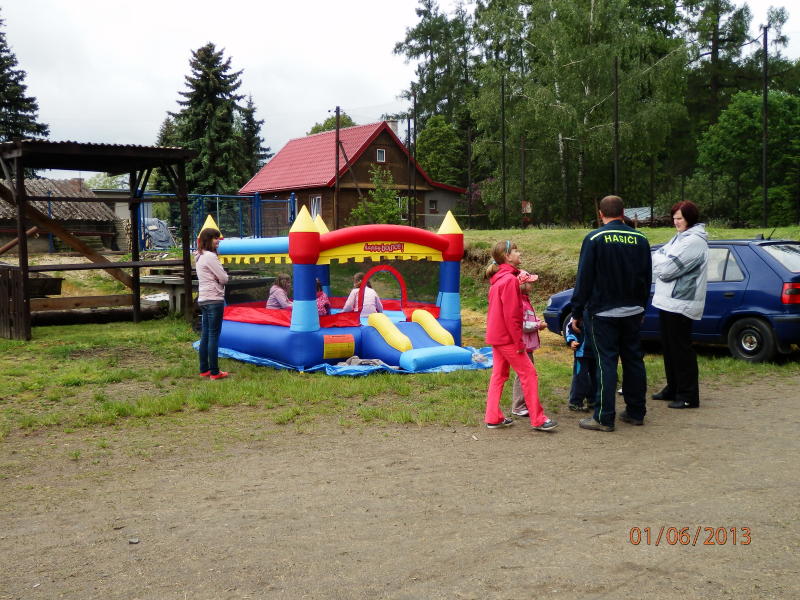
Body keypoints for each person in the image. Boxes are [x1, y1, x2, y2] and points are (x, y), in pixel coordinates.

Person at [571, 195, 651, 431]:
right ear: (623, 212)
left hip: (602, 312)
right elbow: (647, 276)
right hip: (633, 310)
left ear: (600, 213)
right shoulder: (640, 238)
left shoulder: (594, 238)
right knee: (633, 360)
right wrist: (642, 306)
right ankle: (636, 412)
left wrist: (577, 311)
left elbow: (584, 278)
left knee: (605, 362)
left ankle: (604, 417)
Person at [484, 240, 557, 431]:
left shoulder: (498, 280)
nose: (520, 254)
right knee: (529, 374)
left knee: (499, 375)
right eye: (516, 251)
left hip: (496, 336)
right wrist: (518, 342)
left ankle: (493, 417)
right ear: (507, 256)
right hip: (507, 338)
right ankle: (538, 419)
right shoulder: (509, 280)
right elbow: (512, 315)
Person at [651, 200, 709, 409]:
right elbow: (658, 256)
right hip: (668, 302)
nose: (676, 222)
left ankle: (688, 395)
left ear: (689, 218)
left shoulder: (694, 241)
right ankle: (673, 387)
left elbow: (667, 270)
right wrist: (662, 260)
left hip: (682, 302)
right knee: (669, 348)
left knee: (681, 349)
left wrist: (661, 262)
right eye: (674, 218)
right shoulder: (679, 237)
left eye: (680, 218)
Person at [510, 270, 547, 417]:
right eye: (530, 283)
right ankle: (518, 406)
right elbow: (522, 325)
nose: (532, 285)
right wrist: (538, 326)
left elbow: (528, 319)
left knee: (526, 374)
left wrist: (537, 321)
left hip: (528, 346)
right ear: (522, 285)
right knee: (523, 375)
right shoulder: (520, 302)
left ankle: (522, 404)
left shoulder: (525, 300)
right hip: (523, 346)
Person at [196, 227, 229, 380]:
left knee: (205, 335)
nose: (218, 241)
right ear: (207, 240)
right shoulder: (210, 256)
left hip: (203, 298)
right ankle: (215, 372)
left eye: (218, 238)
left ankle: (204, 369)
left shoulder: (199, 256)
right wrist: (219, 279)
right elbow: (224, 278)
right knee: (213, 335)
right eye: (215, 238)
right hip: (214, 299)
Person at [564, 316, 596, 412]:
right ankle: (575, 402)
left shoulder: (600, 312)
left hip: (596, 353)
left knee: (596, 378)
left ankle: (593, 400)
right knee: (580, 377)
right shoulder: (578, 314)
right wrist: (571, 341)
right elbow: (570, 328)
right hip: (581, 353)